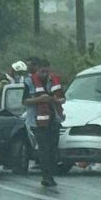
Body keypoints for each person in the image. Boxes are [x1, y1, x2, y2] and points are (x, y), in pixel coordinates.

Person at [22, 57, 65, 187]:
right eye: (42, 71)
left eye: (47, 71)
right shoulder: (29, 82)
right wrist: (40, 99)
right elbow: (24, 101)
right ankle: (46, 176)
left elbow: (63, 99)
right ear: (37, 70)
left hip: (54, 119)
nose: (45, 74)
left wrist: (56, 100)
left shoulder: (54, 81)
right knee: (44, 149)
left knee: (52, 150)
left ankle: (50, 174)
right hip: (38, 121)